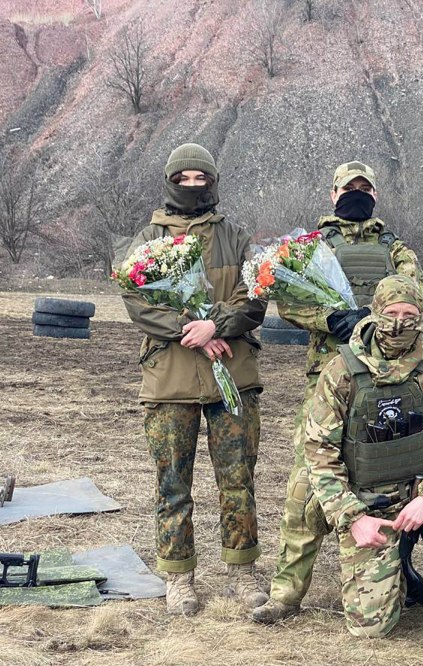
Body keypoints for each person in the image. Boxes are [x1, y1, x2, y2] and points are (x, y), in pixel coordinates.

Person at [281, 275, 423, 650]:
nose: (400, 322)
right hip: (370, 501)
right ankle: (399, 564)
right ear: (375, 314)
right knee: (370, 628)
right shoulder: (340, 372)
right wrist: (353, 519)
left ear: (421, 317)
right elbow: (319, 453)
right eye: (391, 313)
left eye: (410, 314)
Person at [253, 161, 423, 623]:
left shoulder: (396, 249)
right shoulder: (312, 248)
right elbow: (287, 298)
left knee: (393, 479)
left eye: (364, 187)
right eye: (348, 187)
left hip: (387, 378)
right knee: (305, 485)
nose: (356, 193)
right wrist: (330, 320)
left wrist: (380, 320)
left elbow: (419, 296)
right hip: (327, 376)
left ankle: (399, 569)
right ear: (333, 194)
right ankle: (286, 593)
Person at [117, 143, 268, 616]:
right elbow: (138, 304)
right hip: (170, 381)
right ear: (169, 181)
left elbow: (256, 298)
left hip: (233, 377)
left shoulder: (235, 236)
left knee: (238, 479)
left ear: (213, 181)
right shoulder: (147, 238)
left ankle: (242, 572)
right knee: (172, 484)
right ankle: (178, 577)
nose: (192, 185)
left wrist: (216, 324)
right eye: (182, 178)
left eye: (200, 178)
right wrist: (194, 333)